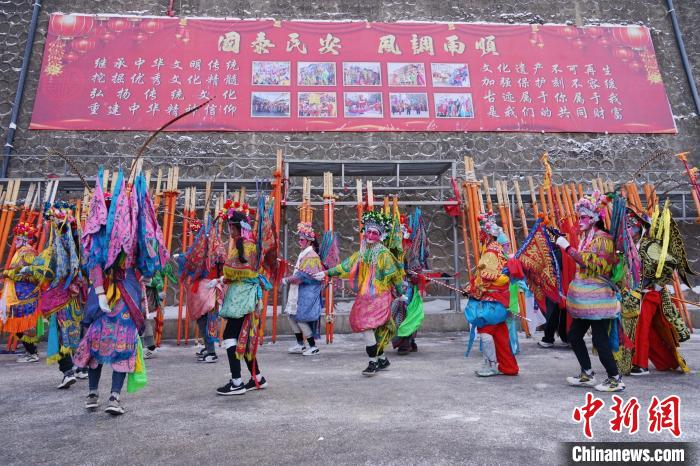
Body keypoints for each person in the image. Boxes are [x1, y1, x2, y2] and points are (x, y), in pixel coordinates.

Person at [74, 169, 169, 415]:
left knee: (123, 345)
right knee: (96, 344)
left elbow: (144, 258)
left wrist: (147, 271)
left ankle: (115, 396)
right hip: (103, 297)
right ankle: (93, 392)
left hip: (127, 295)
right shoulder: (99, 234)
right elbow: (93, 263)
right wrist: (99, 291)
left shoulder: (135, 227)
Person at [314, 211, 405, 377]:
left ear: (381, 236)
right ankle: (382, 359)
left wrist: (400, 293)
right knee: (369, 327)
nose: (370, 235)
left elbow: (395, 276)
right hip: (365, 297)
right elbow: (346, 266)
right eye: (368, 232)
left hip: (380, 296)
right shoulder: (362, 253)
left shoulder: (384, 255)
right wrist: (327, 273)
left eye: (374, 233)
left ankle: (373, 362)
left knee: (366, 326)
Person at [554, 191, 624, 392]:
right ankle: (587, 373)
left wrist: (567, 248)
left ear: (594, 218)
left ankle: (615, 378)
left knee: (599, 339)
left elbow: (593, 265)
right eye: (579, 217)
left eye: (584, 217)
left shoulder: (603, 239)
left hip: (599, 300)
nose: (580, 221)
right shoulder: (587, 238)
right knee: (574, 335)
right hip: (586, 303)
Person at [620, 202, 693, 376]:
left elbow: (670, 262)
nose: (628, 229)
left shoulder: (649, 246)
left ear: (640, 227)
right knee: (648, 331)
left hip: (650, 295)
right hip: (635, 296)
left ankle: (641, 364)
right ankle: (666, 361)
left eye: (631, 226)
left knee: (642, 327)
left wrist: (658, 284)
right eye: (627, 226)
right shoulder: (629, 247)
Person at [213, 204, 269, 395]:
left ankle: (236, 382)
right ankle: (257, 377)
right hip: (239, 295)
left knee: (230, 336)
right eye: (229, 226)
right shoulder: (242, 245)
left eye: (232, 227)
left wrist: (225, 273)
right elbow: (233, 270)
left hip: (244, 297)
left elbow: (240, 269)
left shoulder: (248, 246)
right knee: (242, 337)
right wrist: (222, 279)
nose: (229, 230)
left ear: (239, 227)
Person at [34, 201, 87, 389]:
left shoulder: (54, 250)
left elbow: (44, 271)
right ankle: (81, 367)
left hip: (61, 298)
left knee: (61, 334)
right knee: (77, 331)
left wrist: (28, 270)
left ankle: (68, 371)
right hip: (77, 297)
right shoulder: (80, 247)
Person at [463, 212, 519, 377]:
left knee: (486, 331)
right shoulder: (500, 250)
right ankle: (509, 367)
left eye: (482, 233)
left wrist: (473, 289)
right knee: (500, 334)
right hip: (501, 300)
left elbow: (487, 276)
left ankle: (491, 365)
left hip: (492, 301)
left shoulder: (490, 252)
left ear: (487, 235)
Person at [178, 218, 226, 363]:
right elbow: (190, 259)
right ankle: (208, 347)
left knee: (209, 321)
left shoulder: (217, 251)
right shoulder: (200, 250)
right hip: (201, 289)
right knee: (201, 319)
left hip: (210, 288)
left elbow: (222, 267)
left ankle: (212, 352)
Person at [1, 222, 42, 363]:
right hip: (18, 294)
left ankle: (32, 353)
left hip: (26, 294)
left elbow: (34, 273)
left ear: (25, 239)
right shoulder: (20, 252)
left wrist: (11, 274)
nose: (16, 241)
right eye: (16, 238)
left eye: (18, 238)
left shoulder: (28, 252)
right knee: (17, 323)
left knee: (24, 324)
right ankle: (30, 351)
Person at [282, 222, 324, 356]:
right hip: (299, 290)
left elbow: (302, 276)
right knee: (291, 316)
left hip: (307, 292)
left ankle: (313, 346)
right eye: (299, 239)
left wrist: (287, 279)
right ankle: (300, 344)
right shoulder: (304, 254)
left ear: (309, 241)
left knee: (301, 318)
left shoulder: (311, 256)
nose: (299, 241)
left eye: (302, 239)